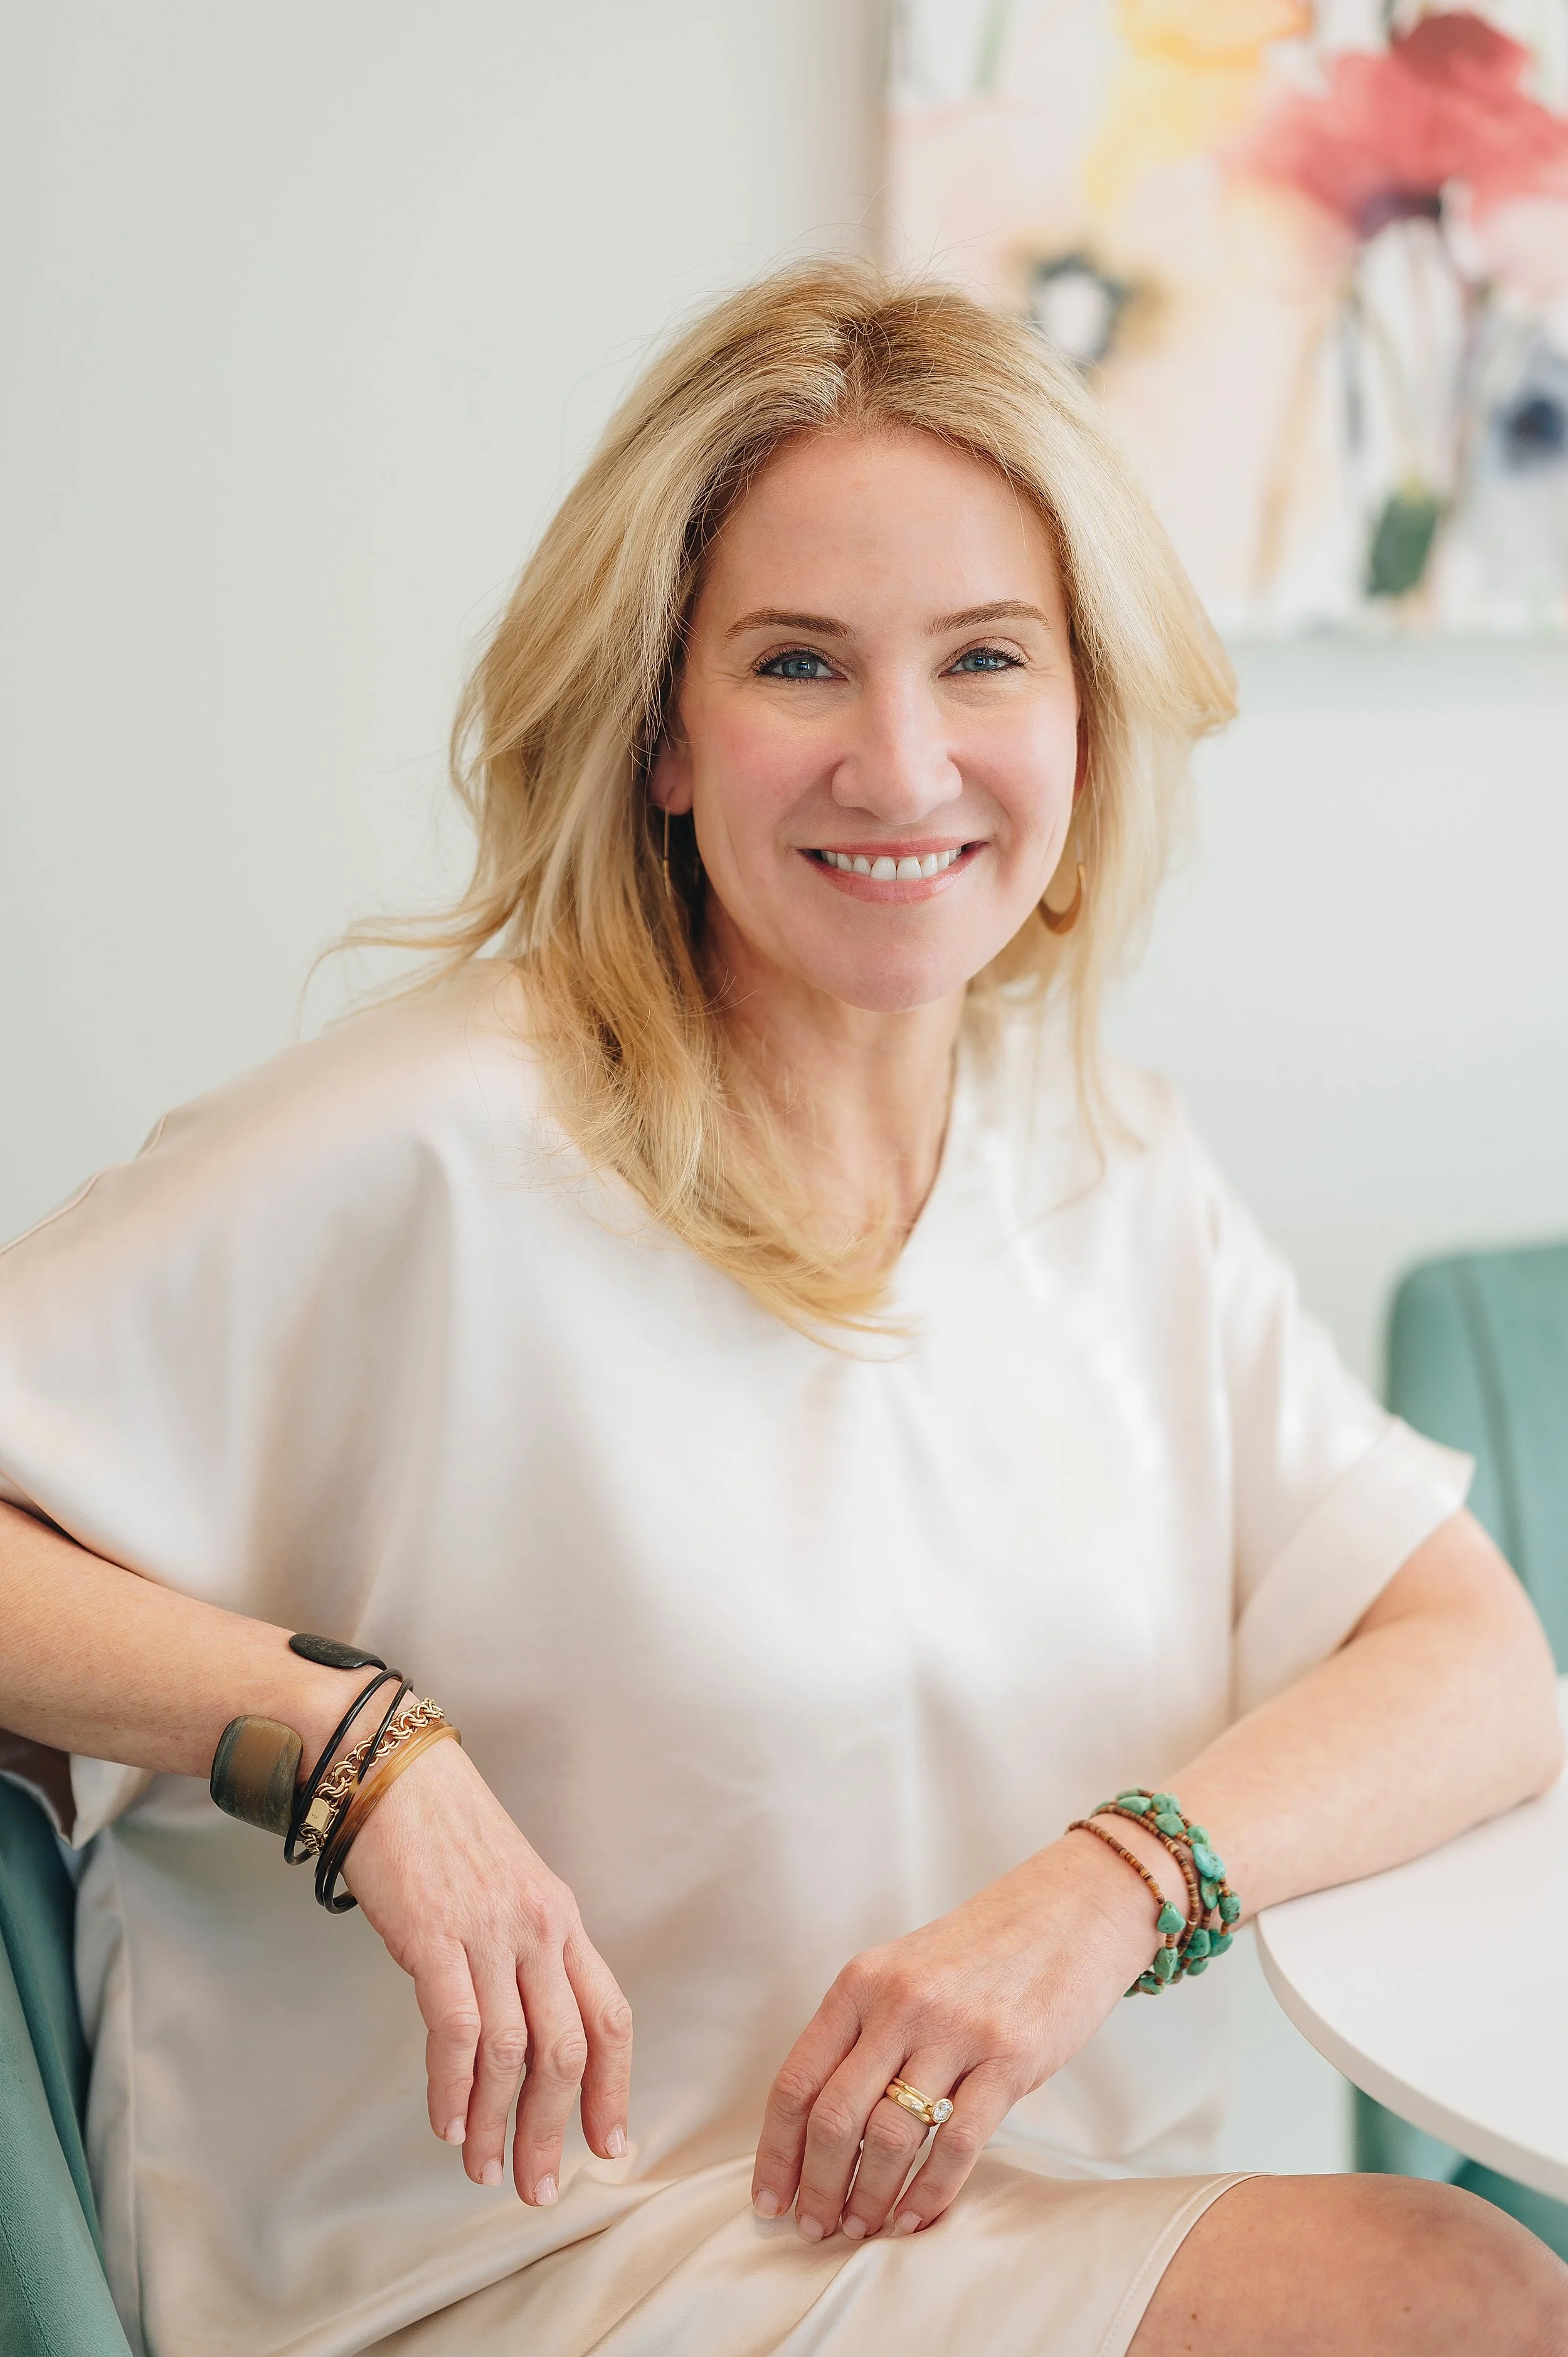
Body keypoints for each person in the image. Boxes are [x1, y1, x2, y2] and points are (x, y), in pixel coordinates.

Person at [0, 262, 1563, 2357]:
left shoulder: (1104, 1162)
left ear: (1084, 715)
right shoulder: (439, 1140)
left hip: (998, 2219)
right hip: (509, 2262)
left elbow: (1472, 1661)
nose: (901, 766)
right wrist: (358, 1751)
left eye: (985, 658)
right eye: (799, 665)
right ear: (659, 728)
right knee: (1447, 2300)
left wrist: (1100, 1891)